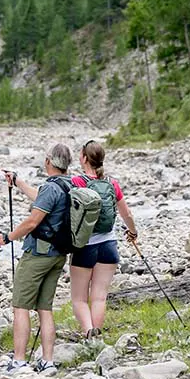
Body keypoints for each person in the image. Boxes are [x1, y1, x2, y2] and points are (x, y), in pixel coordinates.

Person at [0, 143, 73, 372]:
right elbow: (41, 198)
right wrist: (18, 182)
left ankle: (19, 361)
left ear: (48, 161)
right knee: (44, 309)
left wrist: (7, 238)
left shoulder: (51, 187)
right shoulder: (69, 185)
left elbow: (32, 222)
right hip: (58, 254)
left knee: (20, 306)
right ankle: (48, 361)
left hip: (39, 254)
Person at [68, 140, 138, 340]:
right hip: (109, 245)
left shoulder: (77, 182)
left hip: (85, 246)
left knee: (79, 299)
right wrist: (133, 233)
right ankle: (96, 338)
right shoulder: (112, 183)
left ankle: (88, 332)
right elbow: (127, 215)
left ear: (83, 159)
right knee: (99, 296)